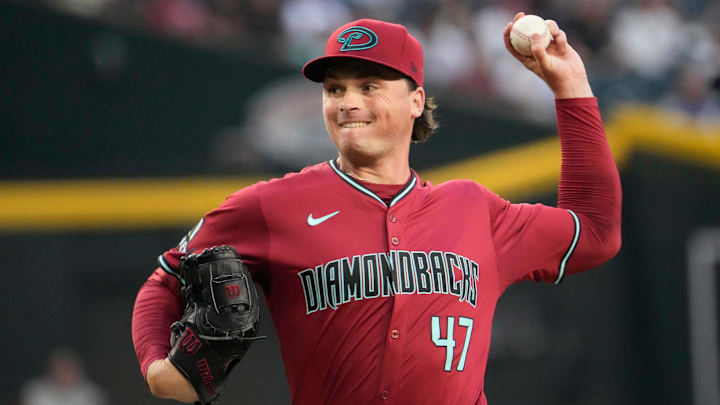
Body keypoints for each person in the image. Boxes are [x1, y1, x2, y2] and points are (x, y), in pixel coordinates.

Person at [132, 13, 621, 405]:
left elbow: (596, 232)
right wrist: (158, 366)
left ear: (416, 101)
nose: (347, 101)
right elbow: (165, 283)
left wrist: (571, 85)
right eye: (335, 88)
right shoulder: (273, 205)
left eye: (369, 86)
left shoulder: (473, 209)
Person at [20, 347, 108, 405]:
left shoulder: (91, 392)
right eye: (61, 368)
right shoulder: (37, 390)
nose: (66, 373)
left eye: (70, 368)